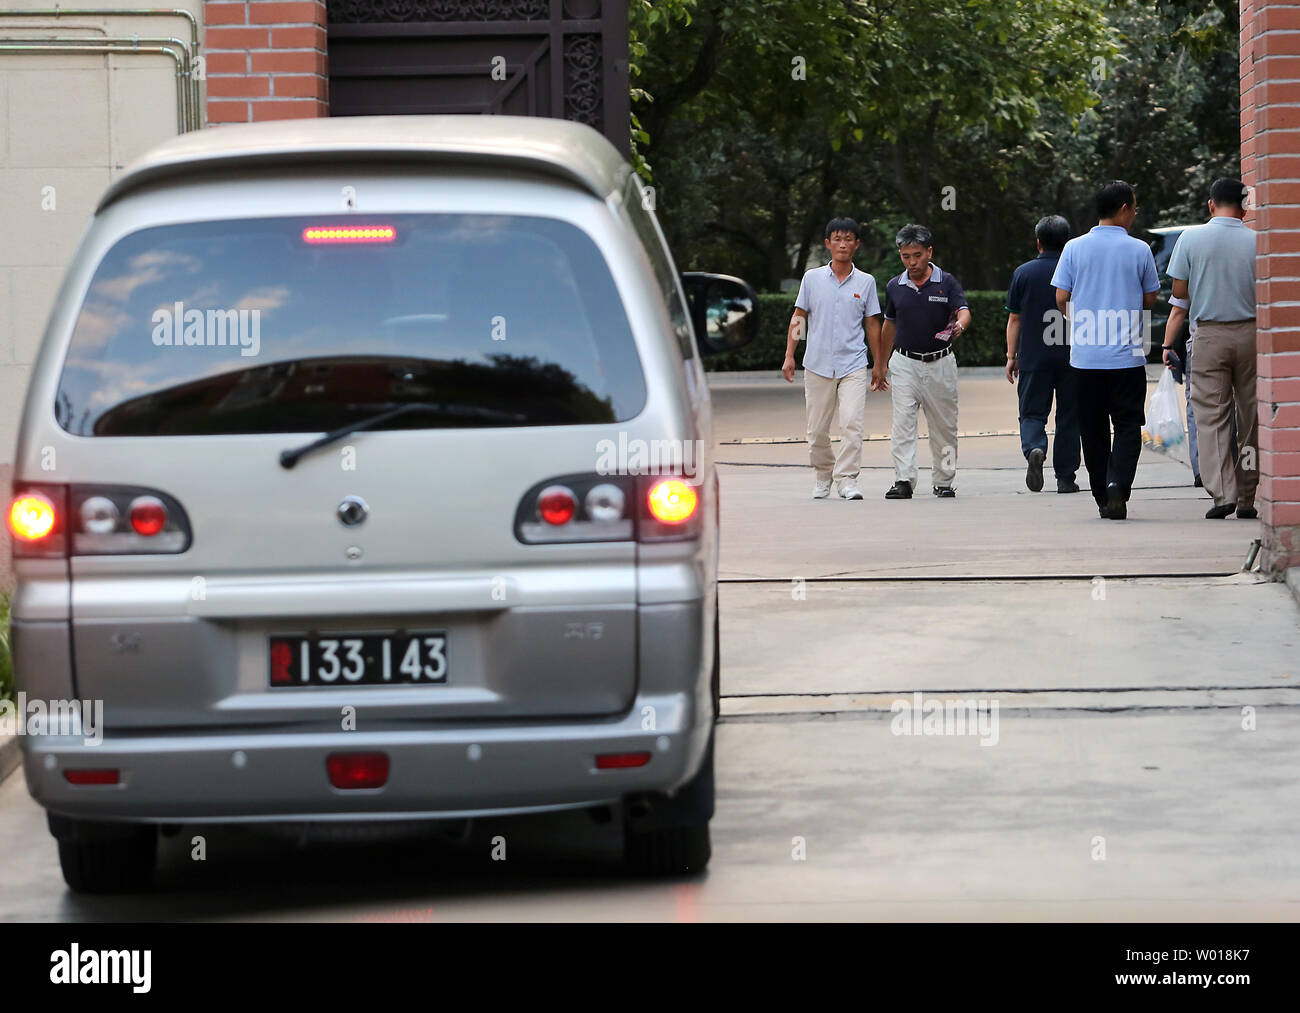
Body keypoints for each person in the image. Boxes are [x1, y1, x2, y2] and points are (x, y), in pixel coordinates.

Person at [1052, 180, 1159, 520]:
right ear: (1124, 209)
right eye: (1135, 208)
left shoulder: (1073, 248)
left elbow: (1060, 298)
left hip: (1085, 360)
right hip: (1127, 358)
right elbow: (1150, 298)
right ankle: (1119, 485)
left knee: (1093, 429)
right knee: (1128, 425)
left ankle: (1102, 496)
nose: (1134, 215)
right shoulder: (1140, 249)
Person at [1161, 178, 1258, 520]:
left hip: (1209, 336)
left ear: (1211, 204)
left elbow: (1180, 295)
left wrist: (1167, 342)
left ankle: (1223, 494)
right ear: (1245, 206)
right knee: (1251, 419)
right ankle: (1248, 496)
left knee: (1211, 417)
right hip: (1253, 335)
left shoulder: (1191, 238)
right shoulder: (1259, 241)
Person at [782, 217, 884, 500]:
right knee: (816, 431)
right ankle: (823, 473)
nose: (842, 244)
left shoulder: (866, 282)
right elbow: (799, 316)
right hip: (816, 364)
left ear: (857, 244)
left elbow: (872, 324)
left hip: (853, 363)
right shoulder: (812, 278)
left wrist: (879, 364)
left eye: (848, 239)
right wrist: (790, 355)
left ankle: (847, 479)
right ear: (827, 244)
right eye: (837, 239)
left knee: (852, 423)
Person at [880, 224, 971, 499]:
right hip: (905, 363)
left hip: (940, 363)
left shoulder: (947, 282)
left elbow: (964, 311)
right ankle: (903, 480)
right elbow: (889, 326)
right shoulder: (895, 286)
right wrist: (880, 364)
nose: (912, 262)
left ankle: (944, 481)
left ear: (929, 252)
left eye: (917, 255)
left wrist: (960, 327)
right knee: (903, 423)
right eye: (906, 256)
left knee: (944, 426)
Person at [1005, 215, 1081, 493]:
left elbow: (1015, 319)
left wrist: (1011, 355)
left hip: (1034, 357)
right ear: (1067, 242)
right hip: (1073, 356)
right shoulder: (1076, 270)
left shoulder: (1023, 273)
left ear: (1038, 242)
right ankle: (1066, 477)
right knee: (1070, 416)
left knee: (1031, 413)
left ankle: (1035, 447)